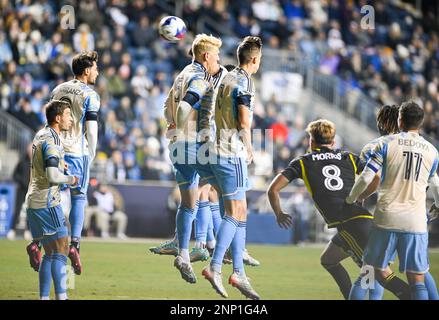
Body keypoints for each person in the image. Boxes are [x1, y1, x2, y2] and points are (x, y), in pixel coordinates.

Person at [267, 119, 411, 300]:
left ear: (310, 142)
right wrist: (362, 195)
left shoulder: (302, 162)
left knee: (380, 274)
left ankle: (414, 296)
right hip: (361, 220)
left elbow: (272, 189)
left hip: (350, 225)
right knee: (329, 260)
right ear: (333, 142)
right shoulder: (348, 156)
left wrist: (279, 213)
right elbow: (376, 177)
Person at [345, 101, 439, 300]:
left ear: (399, 120)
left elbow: (368, 178)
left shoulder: (378, 145)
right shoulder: (431, 150)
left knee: (369, 271)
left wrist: (353, 198)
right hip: (416, 219)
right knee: (419, 276)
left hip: (386, 216)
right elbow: (436, 185)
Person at [201, 36, 263, 300]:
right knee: (235, 212)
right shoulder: (245, 81)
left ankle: (239, 272)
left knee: (240, 209)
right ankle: (215, 267)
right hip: (231, 151)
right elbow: (244, 119)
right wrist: (248, 146)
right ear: (254, 60)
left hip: (216, 148)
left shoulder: (225, 76)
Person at [164, 34, 222, 284]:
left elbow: (167, 105)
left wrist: (173, 125)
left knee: (189, 203)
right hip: (193, 146)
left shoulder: (181, 76)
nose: (217, 60)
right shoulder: (200, 78)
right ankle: (217, 247)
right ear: (206, 56)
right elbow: (185, 107)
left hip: (177, 147)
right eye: (216, 56)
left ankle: (184, 254)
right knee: (227, 190)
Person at [48, 50, 100, 275]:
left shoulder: (57, 89)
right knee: (79, 196)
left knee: (52, 196)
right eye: (96, 69)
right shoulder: (90, 94)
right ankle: (75, 244)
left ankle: (46, 240)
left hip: (56, 149)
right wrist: (93, 151)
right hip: (78, 153)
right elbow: (92, 128)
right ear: (87, 71)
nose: (98, 72)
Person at [25, 100, 77, 300]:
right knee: (61, 251)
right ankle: (62, 297)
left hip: (34, 200)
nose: (70, 119)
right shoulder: (53, 141)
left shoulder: (41, 134)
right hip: (47, 202)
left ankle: (44, 298)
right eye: (68, 115)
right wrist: (71, 179)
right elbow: (53, 176)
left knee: (49, 252)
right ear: (58, 118)